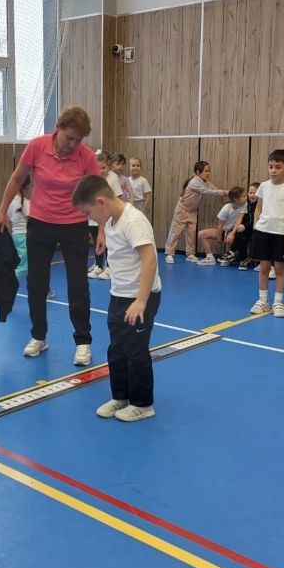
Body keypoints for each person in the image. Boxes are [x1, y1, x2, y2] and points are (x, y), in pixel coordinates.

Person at [0, 106, 100, 366]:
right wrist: (2, 212)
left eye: (78, 140)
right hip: (40, 224)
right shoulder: (37, 147)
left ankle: (83, 342)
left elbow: (98, 195)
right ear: (57, 129)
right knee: (36, 284)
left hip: (75, 225)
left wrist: (103, 231)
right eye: (69, 138)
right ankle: (39, 336)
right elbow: (17, 179)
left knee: (78, 286)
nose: (72, 144)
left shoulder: (86, 157)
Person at [72, 174, 162, 422]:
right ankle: (121, 397)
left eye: (88, 212)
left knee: (135, 351)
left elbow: (149, 259)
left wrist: (141, 300)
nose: (89, 218)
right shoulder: (111, 221)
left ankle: (143, 404)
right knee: (117, 350)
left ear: (101, 202)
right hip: (119, 295)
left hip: (140, 297)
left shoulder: (134, 221)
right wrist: (102, 235)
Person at [249, 150, 284, 317]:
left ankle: (278, 302)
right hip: (263, 232)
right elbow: (258, 208)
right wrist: (256, 226)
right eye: (271, 167)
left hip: (280, 234)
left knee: (279, 268)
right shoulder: (264, 186)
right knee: (264, 267)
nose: (273, 170)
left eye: (278, 167)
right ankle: (263, 300)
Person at [164, 161, 225, 263]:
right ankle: (169, 253)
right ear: (198, 172)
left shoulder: (204, 181)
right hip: (182, 209)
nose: (208, 173)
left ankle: (190, 254)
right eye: (206, 171)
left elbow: (213, 188)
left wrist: (221, 194)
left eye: (208, 171)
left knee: (191, 233)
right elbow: (207, 191)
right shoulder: (195, 182)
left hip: (192, 211)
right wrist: (224, 192)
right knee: (175, 232)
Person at [7, 176, 55, 299]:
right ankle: (3, 289)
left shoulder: (10, 202)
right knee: (24, 266)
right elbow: (33, 221)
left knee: (34, 265)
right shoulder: (24, 203)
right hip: (26, 237)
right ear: (27, 187)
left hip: (16, 236)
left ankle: (46, 289)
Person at [88, 151, 123, 280]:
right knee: (97, 241)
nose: (101, 171)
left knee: (108, 242)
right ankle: (98, 266)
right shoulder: (92, 178)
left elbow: (118, 196)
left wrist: (116, 215)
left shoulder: (113, 177)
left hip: (107, 217)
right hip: (94, 218)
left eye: (104, 168)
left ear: (109, 166)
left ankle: (109, 267)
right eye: (98, 168)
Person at [196, 186, 247, 266]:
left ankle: (229, 256)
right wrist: (219, 238)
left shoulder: (244, 205)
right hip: (223, 230)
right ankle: (210, 257)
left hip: (232, 231)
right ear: (236, 199)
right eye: (244, 196)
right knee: (201, 234)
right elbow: (220, 225)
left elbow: (239, 220)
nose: (246, 198)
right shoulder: (226, 208)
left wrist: (232, 234)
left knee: (231, 239)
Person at [237, 182, 258, 270]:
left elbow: (255, 219)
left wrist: (245, 226)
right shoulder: (246, 204)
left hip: (257, 229)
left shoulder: (260, 205)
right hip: (247, 229)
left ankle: (257, 260)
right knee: (240, 236)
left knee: (256, 238)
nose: (252, 195)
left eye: (255, 193)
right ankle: (243, 258)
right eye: (250, 193)